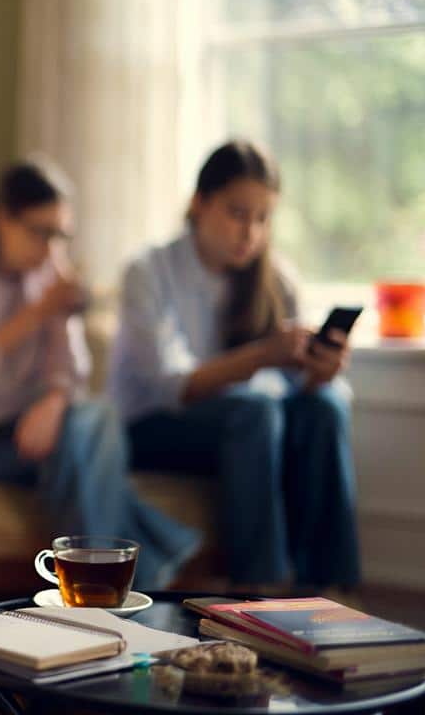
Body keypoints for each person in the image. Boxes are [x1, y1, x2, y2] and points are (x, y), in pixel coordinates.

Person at [0, 160, 201, 590]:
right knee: (87, 445)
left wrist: (54, 401)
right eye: (39, 232)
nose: (49, 247)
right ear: (1, 218)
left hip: (21, 433)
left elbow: (71, 372)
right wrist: (37, 312)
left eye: (60, 235)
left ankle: (90, 593)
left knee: (91, 420)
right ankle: (134, 575)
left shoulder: (47, 271)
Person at [109, 140, 361, 592]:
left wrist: (319, 372)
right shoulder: (148, 271)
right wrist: (263, 355)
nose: (250, 232)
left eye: (263, 218)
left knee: (327, 405)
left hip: (244, 428)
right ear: (198, 203)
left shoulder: (274, 278)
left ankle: (327, 591)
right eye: (237, 213)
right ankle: (258, 590)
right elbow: (173, 386)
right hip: (152, 426)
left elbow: (291, 389)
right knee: (254, 409)